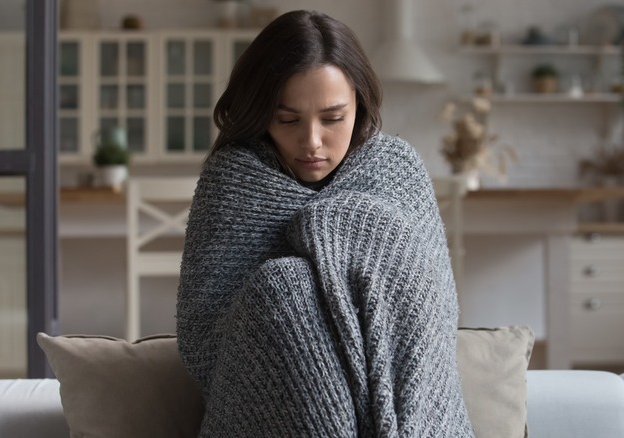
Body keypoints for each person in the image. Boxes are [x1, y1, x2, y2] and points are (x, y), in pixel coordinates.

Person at [176, 9, 474, 437]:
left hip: (394, 394)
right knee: (285, 287)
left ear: (359, 104)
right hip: (270, 401)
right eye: (287, 119)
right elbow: (203, 337)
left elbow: (434, 312)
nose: (312, 141)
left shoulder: (395, 170)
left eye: (333, 118)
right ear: (261, 113)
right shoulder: (230, 182)